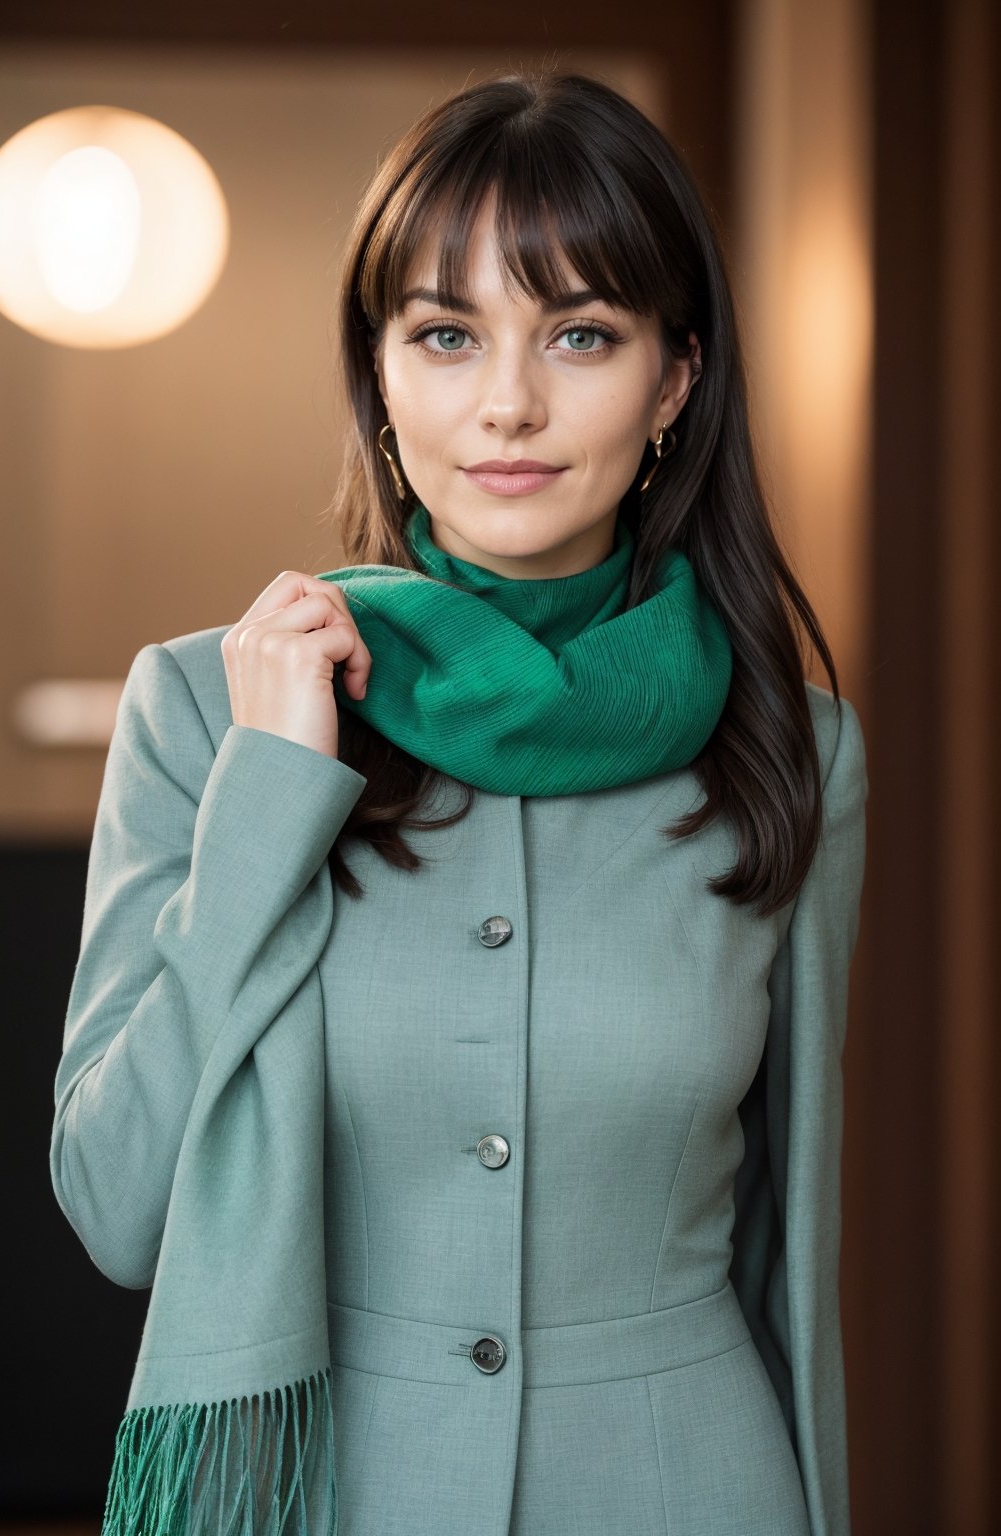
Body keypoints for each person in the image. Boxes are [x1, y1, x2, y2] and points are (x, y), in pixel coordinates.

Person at [50, 68, 868, 1536]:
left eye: (580, 334)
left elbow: (791, 1246)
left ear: (676, 379)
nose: (508, 402)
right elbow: (116, 1206)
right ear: (378, 376)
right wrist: (275, 788)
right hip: (326, 1496)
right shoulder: (204, 709)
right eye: (445, 333)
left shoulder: (795, 749)